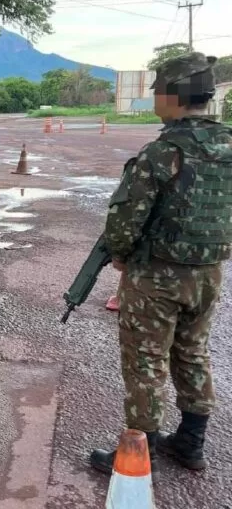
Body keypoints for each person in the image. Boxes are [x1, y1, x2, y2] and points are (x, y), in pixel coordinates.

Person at [90, 52, 232, 475]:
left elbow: (124, 222)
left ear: (173, 96)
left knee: (145, 361)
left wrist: (121, 256)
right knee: (193, 352)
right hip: (208, 273)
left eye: (158, 92)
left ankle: (141, 452)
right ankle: (191, 443)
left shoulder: (162, 152)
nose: (155, 100)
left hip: (157, 277)